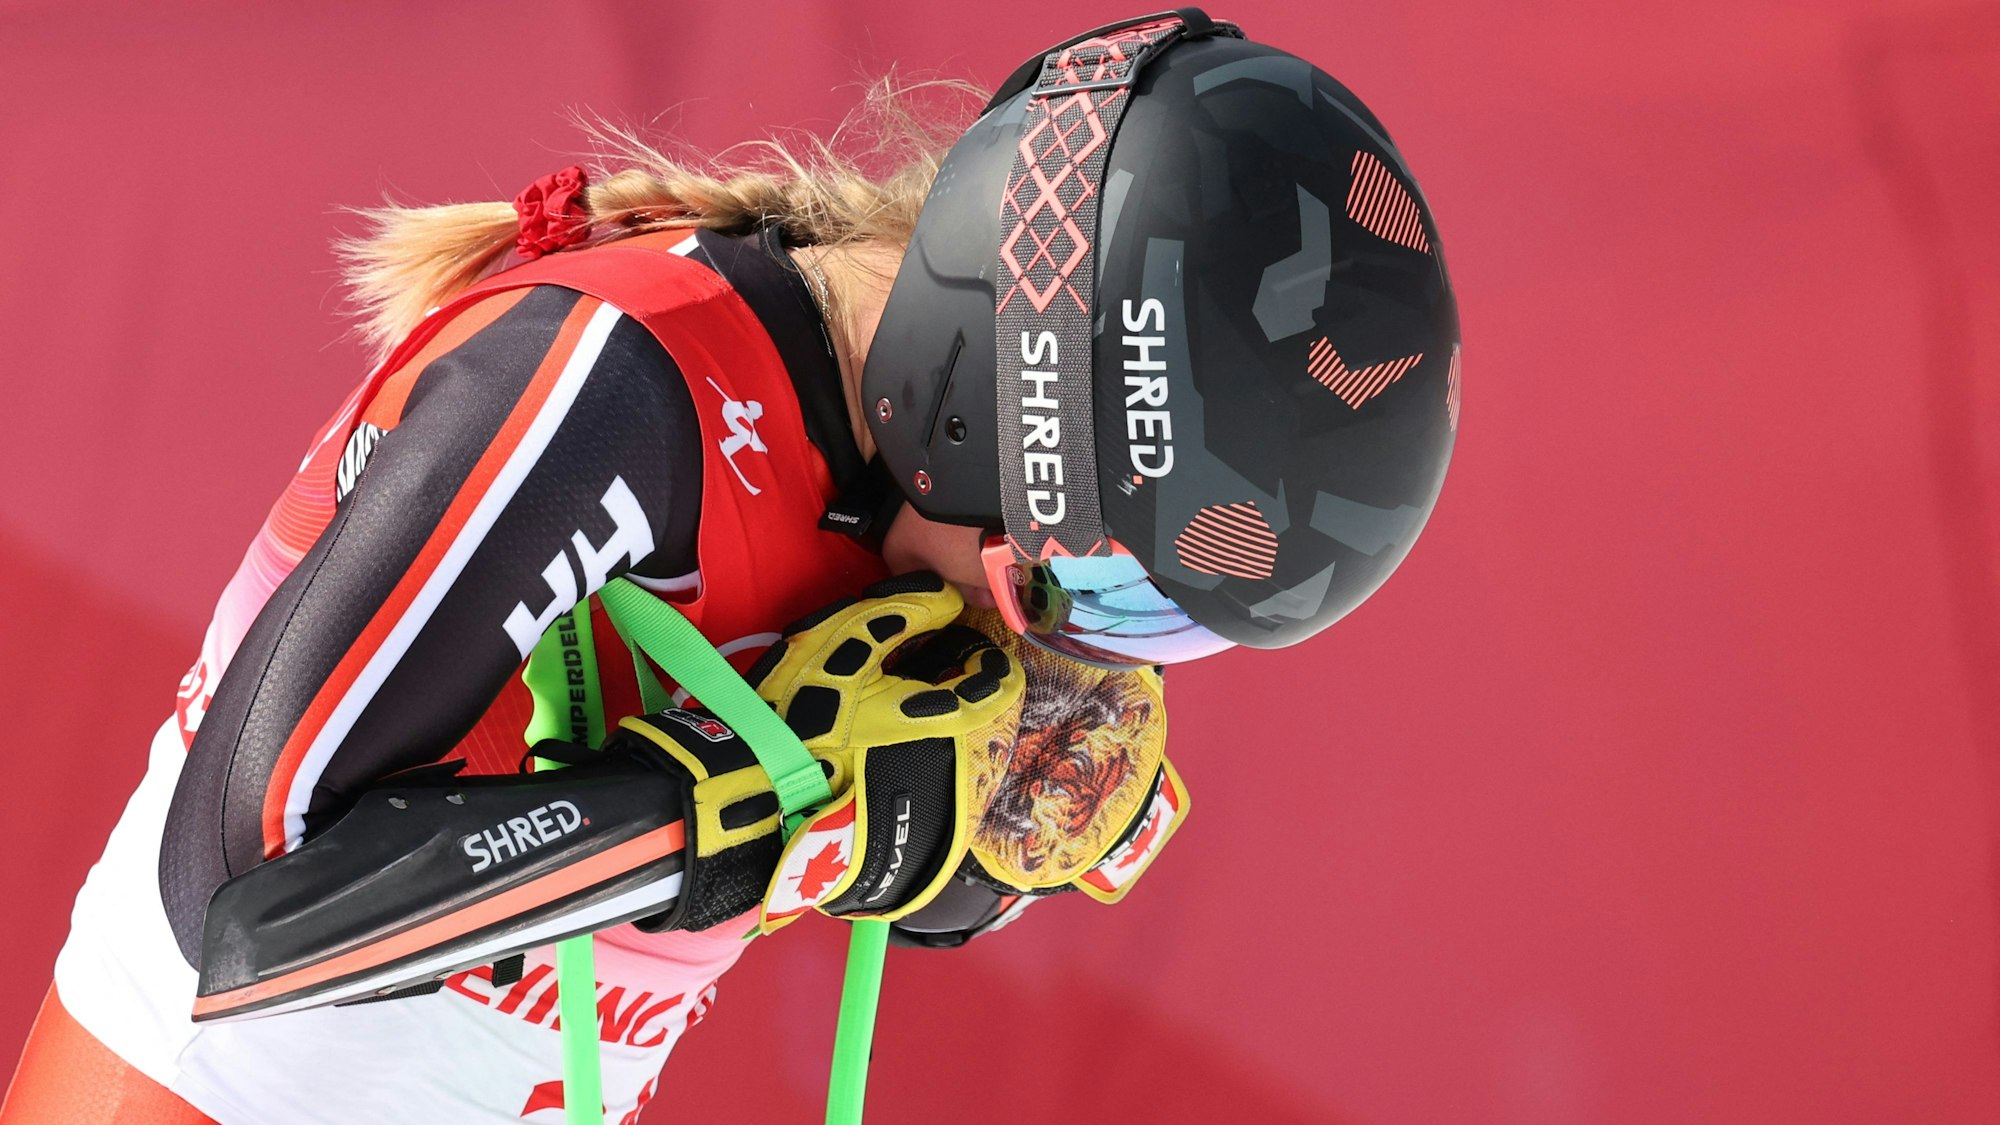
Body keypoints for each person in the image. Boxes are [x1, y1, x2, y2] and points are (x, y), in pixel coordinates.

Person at [1, 10, 1459, 1123]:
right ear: (978, 390)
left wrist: (946, 850)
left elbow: (861, 799)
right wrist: (738, 818)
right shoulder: (616, 387)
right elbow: (242, 904)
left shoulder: (914, 506)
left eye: (1158, 626)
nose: (1064, 651)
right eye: (1092, 592)